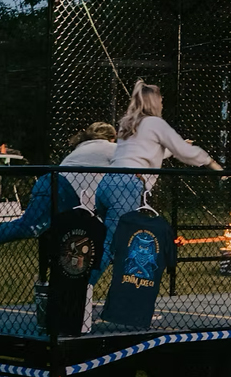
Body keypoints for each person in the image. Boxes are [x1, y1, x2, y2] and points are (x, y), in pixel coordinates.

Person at [90, 79, 222, 284]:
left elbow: (147, 153)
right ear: (153, 102)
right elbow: (185, 152)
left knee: (117, 245)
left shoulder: (128, 123)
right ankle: (81, 296)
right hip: (128, 186)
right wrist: (213, 164)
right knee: (110, 245)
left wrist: (171, 148)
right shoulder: (154, 123)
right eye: (160, 100)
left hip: (108, 183)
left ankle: (116, 300)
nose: (162, 103)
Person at [0, 122, 117, 257]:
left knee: (63, 233)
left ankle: (51, 272)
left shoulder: (82, 147)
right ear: (112, 138)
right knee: (31, 227)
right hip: (62, 189)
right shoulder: (111, 148)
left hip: (57, 185)